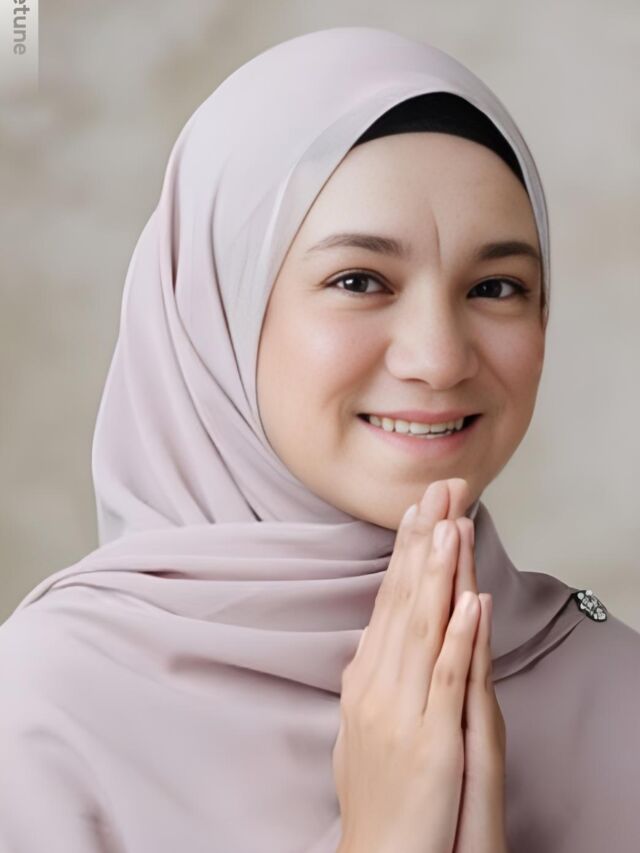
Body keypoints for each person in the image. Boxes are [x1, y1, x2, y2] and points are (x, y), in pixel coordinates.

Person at [0, 25, 638, 853]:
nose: (439, 358)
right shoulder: (44, 717)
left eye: (495, 286)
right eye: (359, 280)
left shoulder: (616, 693)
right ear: (218, 309)